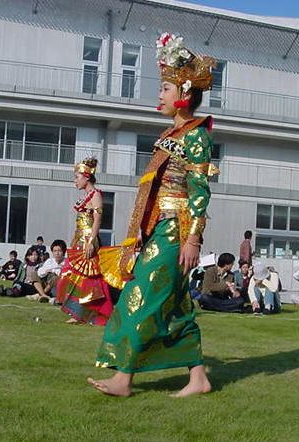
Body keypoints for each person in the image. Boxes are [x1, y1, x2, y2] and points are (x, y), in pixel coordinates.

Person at [89, 32, 217, 397]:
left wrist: (193, 239)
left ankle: (123, 379)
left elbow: (200, 190)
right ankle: (199, 378)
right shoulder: (171, 133)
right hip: (159, 229)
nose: (159, 95)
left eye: (164, 88)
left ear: (184, 92)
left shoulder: (195, 136)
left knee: (138, 298)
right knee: (177, 306)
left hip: (175, 231)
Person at [56, 157, 113, 325]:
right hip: (79, 238)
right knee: (72, 274)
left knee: (86, 277)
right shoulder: (87, 195)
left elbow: (97, 220)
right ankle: (78, 313)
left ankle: (86, 314)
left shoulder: (96, 195)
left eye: (77, 177)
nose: (75, 181)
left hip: (88, 239)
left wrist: (91, 241)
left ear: (86, 177)